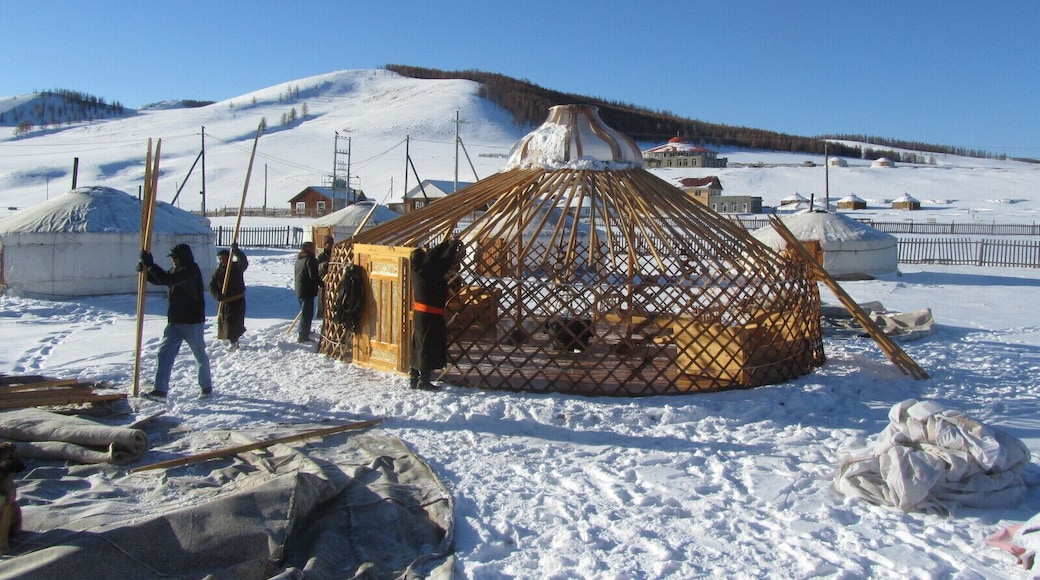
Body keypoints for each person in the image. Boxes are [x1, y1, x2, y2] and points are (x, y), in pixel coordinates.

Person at [138, 243, 213, 400]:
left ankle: (206, 387)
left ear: (183, 258)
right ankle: (160, 391)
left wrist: (151, 265)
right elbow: (162, 279)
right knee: (164, 354)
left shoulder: (191, 270)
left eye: (175, 258)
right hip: (175, 322)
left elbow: (169, 279)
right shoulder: (178, 270)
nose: (173, 261)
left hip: (192, 322)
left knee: (199, 355)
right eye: (172, 258)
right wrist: (146, 272)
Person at [409, 237, 464, 390]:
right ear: (423, 260)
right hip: (430, 315)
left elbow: (432, 255)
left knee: (417, 345)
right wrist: (453, 246)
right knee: (428, 345)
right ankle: (424, 381)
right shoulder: (429, 272)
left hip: (420, 315)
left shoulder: (417, 269)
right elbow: (444, 262)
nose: (428, 256)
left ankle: (413, 378)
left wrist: (446, 243)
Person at [209, 243, 248, 351]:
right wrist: (217, 295)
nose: (221, 261)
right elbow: (212, 285)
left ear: (229, 258)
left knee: (233, 322)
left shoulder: (236, 267)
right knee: (225, 322)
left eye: (223, 259)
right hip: (225, 301)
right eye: (220, 259)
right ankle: (233, 340)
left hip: (237, 300)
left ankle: (234, 342)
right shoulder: (218, 271)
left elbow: (244, 262)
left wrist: (236, 251)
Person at [294, 241, 323, 343]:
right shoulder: (310, 259)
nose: (315, 249)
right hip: (307, 290)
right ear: (308, 248)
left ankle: (304, 332)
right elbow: (313, 275)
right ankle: (303, 336)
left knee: (305, 313)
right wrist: (322, 284)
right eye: (313, 247)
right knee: (307, 314)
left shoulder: (300, 258)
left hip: (300, 289)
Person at [316, 235, 334, 319]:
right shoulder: (320, 256)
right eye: (329, 243)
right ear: (325, 244)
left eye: (332, 243)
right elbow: (316, 269)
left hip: (333, 281)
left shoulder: (334, 254)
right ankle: (323, 318)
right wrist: (324, 265)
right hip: (323, 281)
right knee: (323, 302)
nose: (331, 245)